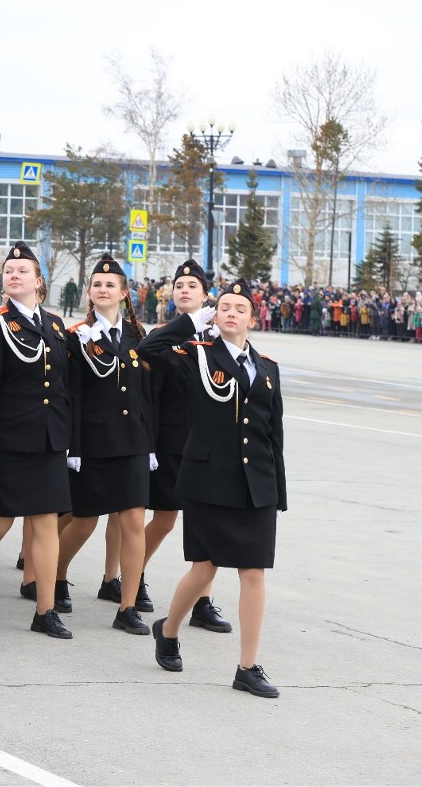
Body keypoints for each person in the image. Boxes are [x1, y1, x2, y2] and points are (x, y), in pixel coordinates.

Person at [139, 279, 286, 698]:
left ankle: (248, 666)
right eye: (224, 307)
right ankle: (168, 631)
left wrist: (279, 492)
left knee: (253, 572)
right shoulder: (194, 357)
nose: (232, 313)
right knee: (204, 569)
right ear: (214, 315)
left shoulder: (268, 367)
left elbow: (274, 435)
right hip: (208, 482)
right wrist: (187, 321)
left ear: (253, 320)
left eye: (241, 308)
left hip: (256, 486)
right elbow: (148, 350)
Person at [0, 242, 73, 639]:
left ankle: (45, 610)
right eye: (8, 270)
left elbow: (62, 386)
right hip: (9, 438)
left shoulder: (56, 325)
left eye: (22, 270)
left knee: (46, 522)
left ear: (38, 281)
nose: (13, 275)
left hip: (48, 439)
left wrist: (69, 440)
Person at [59, 253, 153, 635]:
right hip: (94, 442)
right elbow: (74, 395)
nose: (102, 289)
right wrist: (74, 447)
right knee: (83, 522)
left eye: (110, 284)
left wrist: (151, 445)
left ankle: (127, 605)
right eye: (97, 284)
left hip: (131, 442)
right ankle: (55, 576)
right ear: (89, 292)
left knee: (133, 521)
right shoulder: (78, 335)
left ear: (124, 293)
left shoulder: (137, 336)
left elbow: (147, 395)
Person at [145, 260, 231, 633]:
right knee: (164, 520)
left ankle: (203, 601)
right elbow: (151, 391)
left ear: (205, 294)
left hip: (205, 445)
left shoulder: (217, 338)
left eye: (192, 286)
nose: (184, 290)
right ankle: (130, 576)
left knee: (204, 524)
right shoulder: (165, 333)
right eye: (179, 285)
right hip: (169, 440)